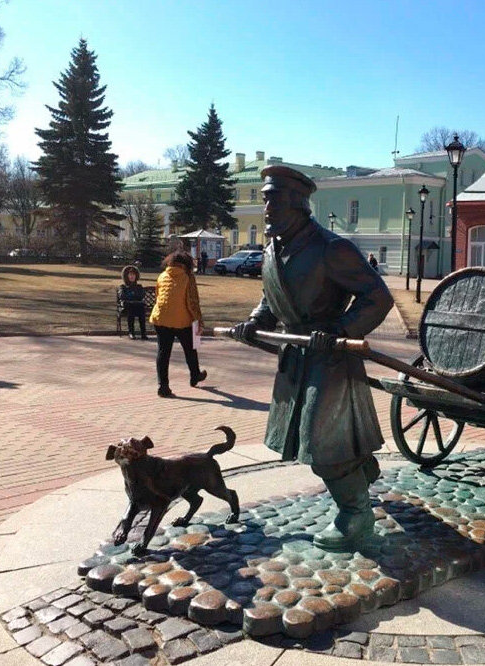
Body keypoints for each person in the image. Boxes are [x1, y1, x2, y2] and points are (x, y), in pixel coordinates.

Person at [231, 165, 393, 551]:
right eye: (264, 198)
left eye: (271, 199)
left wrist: (341, 330)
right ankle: (360, 469)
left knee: (320, 442)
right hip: (296, 356)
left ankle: (356, 515)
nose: (265, 207)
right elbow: (272, 296)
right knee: (314, 438)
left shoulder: (331, 248)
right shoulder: (274, 249)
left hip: (330, 358)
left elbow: (378, 297)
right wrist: (255, 322)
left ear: (296, 206)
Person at [149, 251, 207, 397]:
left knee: (163, 352)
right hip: (182, 320)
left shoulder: (162, 276)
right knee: (190, 349)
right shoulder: (188, 277)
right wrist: (198, 320)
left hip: (160, 319)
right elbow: (193, 301)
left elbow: (158, 295)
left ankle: (163, 386)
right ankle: (195, 375)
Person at [118, 265, 147, 340]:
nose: (132, 276)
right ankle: (131, 332)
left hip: (138, 306)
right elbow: (122, 296)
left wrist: (132, 295)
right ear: (126, 276)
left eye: (133, 275)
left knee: (141, 309)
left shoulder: (139, 286)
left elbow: (141, 295)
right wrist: (133, 295)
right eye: (130, 275)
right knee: (131, 308)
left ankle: (143, 333)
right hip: (127, 307)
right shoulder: (123, 287)